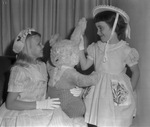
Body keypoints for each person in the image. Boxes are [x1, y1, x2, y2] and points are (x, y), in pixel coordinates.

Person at [79, 5, 140, 127]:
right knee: (97, 119)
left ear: (114, 28)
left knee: (114, 121)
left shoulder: (125, 50)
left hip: (115, 94)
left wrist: (129, 90)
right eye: (97, 28)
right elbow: (84, 66)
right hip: (97, 92)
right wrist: (80, 48)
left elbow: (136, 72)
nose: (97, 32)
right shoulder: (96, 47)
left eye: (101, 28)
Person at [0, 28, 61, 126]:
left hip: (42, 107)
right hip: (22, 111)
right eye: (38, 44)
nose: (42, 46)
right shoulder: (19, 70)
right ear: (28, 49)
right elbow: (10, 103)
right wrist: (39, 104)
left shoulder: (42, 65)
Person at [47, 18, 98, 126]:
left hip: (56, 101)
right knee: (79, 112)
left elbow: (48, 65)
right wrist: (95, 76)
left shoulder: (56, 67)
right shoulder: (69, 71)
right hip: (67, 106)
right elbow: (83, 80)